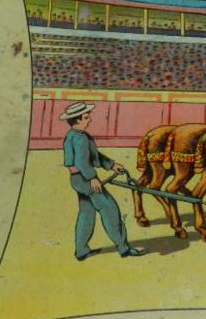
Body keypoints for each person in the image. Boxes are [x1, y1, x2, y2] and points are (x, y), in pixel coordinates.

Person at [60, 102, 146, 260]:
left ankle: (81, 250)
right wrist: (92, 178)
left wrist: (112, 165)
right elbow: (81, 161)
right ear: (77, 120)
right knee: (110, 210)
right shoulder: (79, 138)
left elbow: (95, 156)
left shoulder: (75, 135)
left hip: (78, 179)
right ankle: (124, 248)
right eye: (86, 117)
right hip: (85, 179)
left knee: (87, 213)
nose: (90, 120)